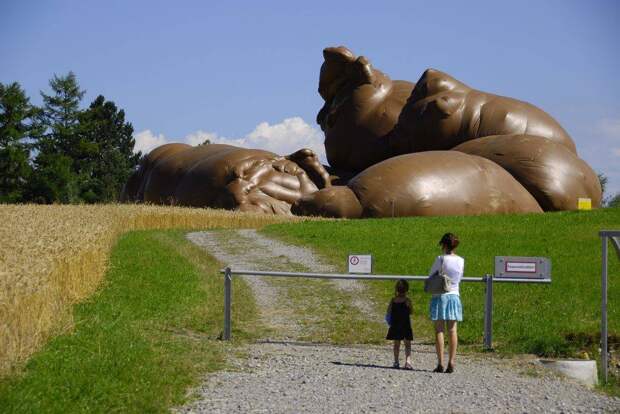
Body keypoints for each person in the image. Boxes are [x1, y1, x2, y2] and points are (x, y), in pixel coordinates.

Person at [428, 233, 464, 373]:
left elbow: (431, 274)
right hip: (454, 295)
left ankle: (440, 363)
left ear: (443, 245)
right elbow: (459, 277)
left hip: (440, 295)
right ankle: (452, 361)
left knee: (439, 330)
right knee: (453, 330)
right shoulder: (461, 260)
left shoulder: (440, 259)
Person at [386, 279, 414, 369]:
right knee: (407, 344)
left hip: (395, 325)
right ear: (407, 290)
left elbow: (388, 311)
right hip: (405, 325)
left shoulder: (393, 300)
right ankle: (408, 361)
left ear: (396, 289)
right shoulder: (407, 301)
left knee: (396, 344)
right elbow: (411, 311)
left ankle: (396, 361)